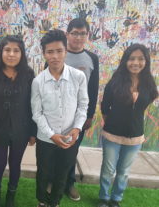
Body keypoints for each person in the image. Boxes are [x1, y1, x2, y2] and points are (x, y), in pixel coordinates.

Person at [31, 30, 88, 207]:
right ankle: (42, 201)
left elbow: (82, 105)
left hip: (69, 138)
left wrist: (77, 128)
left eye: (59, 51)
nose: (55, 56)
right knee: (44, 172)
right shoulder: (38, 81)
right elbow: (37, 113)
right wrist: (51, 135)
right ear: (44, 53)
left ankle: (55, 202)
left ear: (66, 51)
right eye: (50, 52)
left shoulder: (78, 77)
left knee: (62, 172)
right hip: (45, 139)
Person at [98, 44, 158, 207]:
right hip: (112, 134)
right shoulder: (116, 80)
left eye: (140, 59)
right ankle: (104, 198)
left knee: (123, 172)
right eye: (132, 59)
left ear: (146, 61)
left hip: (135, 137)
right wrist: (113, 121)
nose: (135, 63)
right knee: (108, 170)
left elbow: (145, 105)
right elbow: (105, 106)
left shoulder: (149, 84)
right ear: (125, 61)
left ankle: (116, 199)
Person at [0, 35, 36, 207]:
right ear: (1, 52)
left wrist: (33, 132)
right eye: (7, 50)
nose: (11, 54)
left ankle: (11, 195)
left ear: (22, 53)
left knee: (15, 164)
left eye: (16, 50)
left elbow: (33, 105)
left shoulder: (28, 74)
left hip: (21, 130)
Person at [64, 18, 99, 201]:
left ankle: (69, 183)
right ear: (67, 34)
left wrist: (89, 115)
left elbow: (93, 88)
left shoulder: (92, 59)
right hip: (58, 113)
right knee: (55, 148)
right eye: (75, 33)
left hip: (79, 115)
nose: (78, 37)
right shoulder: (58, 53)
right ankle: (54, 180)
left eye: (82, 33)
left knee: (72, 150)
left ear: (87, 35)